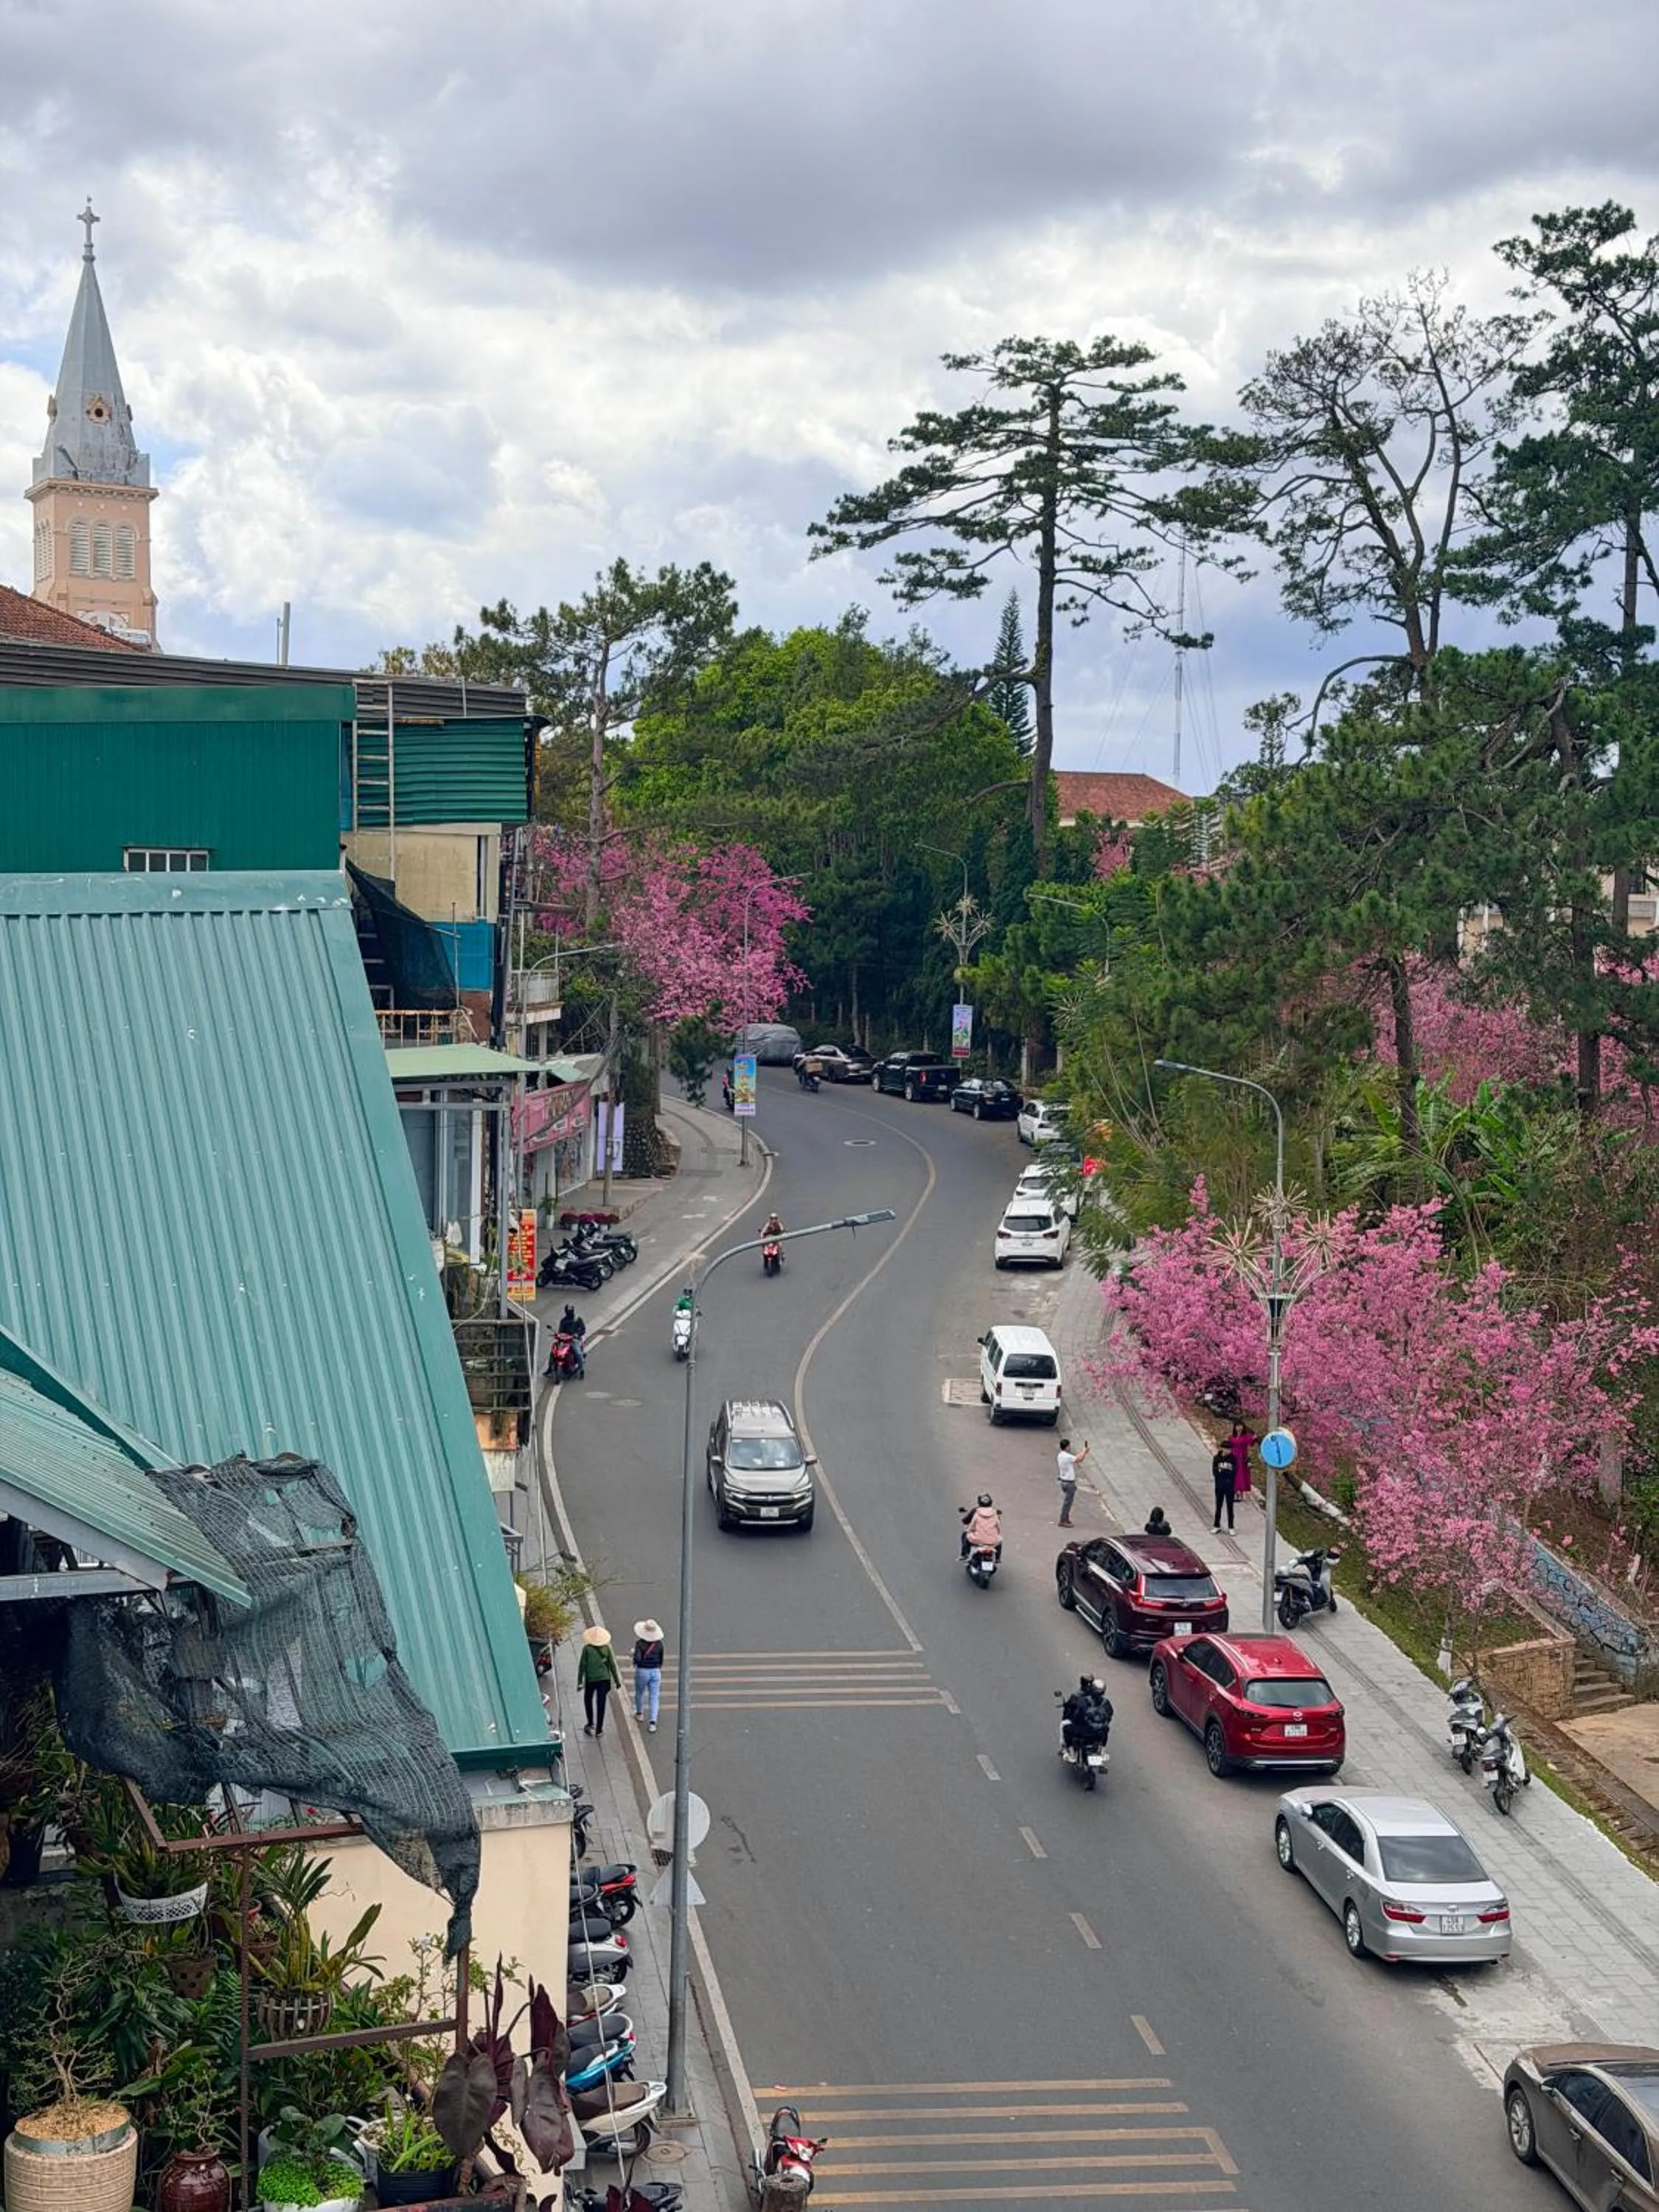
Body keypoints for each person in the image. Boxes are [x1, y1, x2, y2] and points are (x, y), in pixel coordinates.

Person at [577, 1625, 622, 1738]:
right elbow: (612, 1665)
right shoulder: (607, 1648)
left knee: (588, 1700)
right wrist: (617, 1681)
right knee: (601, 1704)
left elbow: (582, 1665)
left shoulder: (587, 1649)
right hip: (604, 1680)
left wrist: (579, 1681)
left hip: (590, 1679)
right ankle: (599, 1729)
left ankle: (590, 1723)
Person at [1061, 1674, 1113, 1753]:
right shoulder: (1107, 1703)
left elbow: (1077, 1717)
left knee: (1066, 1728)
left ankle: (1071, 1754)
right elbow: (1110, 1716)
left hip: (1084, 1732)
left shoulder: (1082, 1701)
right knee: (1106, 1729)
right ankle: (1102, 1750)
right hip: (1100, 1733)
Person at [632, 1618, 665, 1733]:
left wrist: (633, 1657)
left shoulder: (640, 1644)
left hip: (643, 1671)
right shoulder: (659, 1644)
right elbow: (661, 1660)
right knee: (654, 1696)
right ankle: (653, 1722)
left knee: (640, 1693)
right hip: (656, 1671)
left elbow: (638, 1659)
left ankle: (640, 1714)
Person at [1056, 1436, 1090, 1528]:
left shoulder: (1061, 1455)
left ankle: (1065, 1518)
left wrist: (1083, 1453)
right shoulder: (1067, 1457)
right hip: (1069, 1482)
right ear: (1067, 1447)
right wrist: (1084, 1451)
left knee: (1068, 1501)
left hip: (1063, 1481)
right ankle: (1063, 1519)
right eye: (1069, 1446)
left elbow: (1077, 1458)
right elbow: (1078, 1459)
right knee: (1068, 1502)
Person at [959, 1492, 1003, 1560]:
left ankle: (965, 1554)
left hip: (977, 1539)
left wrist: (968, 1531)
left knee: (965, 1534)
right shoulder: (994, 1513)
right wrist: (997, 1534)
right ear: (991, 1502)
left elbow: (970, 1525)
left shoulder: (976, 1512)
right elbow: (998, 1527)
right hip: (992, 1540)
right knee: (1000, 1540)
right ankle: (998, 1558)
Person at [1226, 1418, 1256, 1500]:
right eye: (1237, 1426)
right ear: (1235, 1427)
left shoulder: (1246, 1437)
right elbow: (1228, 1447)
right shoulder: (1231, 1437)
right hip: (1233, 1458)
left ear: (1243, 1427)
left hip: (1242, 1459)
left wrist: (1255, 1438)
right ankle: (1235, 1493)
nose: (1239, 1428)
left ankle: (1240, 1494)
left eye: (1240, 1426)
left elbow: (1251, 1443)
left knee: (1240, 1476)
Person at [1211, 1442, 1236, 1531]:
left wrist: (1223, 1472)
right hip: (1219, 1486)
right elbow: (1215, 1472)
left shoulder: (1233, 1459)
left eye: (1230, 1449)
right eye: (1227, 1449)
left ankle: (1231, 1527)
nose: (1229, 1451)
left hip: (1230, 1486)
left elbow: (1233, 1473)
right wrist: (1223, 1472)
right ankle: (1216, 1525)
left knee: (1230, 1507)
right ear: (1223, 1449)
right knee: (1218, 1506)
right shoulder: (1217, 1458)